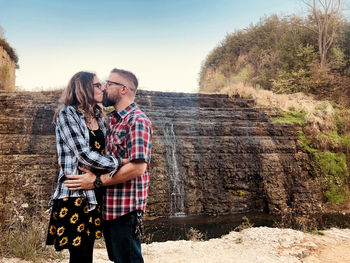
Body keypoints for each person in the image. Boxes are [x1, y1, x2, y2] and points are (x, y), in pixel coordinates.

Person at [64, 68, 153, 263]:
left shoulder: (137, 120)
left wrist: (95, 182)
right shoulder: (111, 121)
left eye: (109, 83)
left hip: (126, 207)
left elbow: (138, 168)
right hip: (109, 206)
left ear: (123, 89)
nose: (104, 87)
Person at [46, 71, 123, 263]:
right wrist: (119, 163)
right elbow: (84, 155)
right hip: (75, 194)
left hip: (94, 191)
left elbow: (104, 152)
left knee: (87, 252)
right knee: (80, 256)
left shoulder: (99, 116)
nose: (102, 88)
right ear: (83, 88)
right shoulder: (67, 114)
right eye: (97, 85)